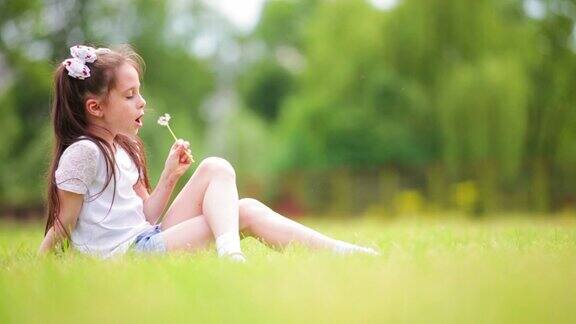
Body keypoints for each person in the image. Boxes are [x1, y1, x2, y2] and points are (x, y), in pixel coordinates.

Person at [37, 45, 380, 261]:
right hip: (126, 255)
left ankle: (343, 253)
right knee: (241, 214)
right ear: (96, 107)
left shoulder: (124, 148)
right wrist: (38, 266)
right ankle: (231, 253)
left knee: (219, 172)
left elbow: (146, 217)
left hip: (146, 238)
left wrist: (170, 176)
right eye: (129, 96)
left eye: (139, 92)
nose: (142, 102)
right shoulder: (83, 153)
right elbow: (64, 224)